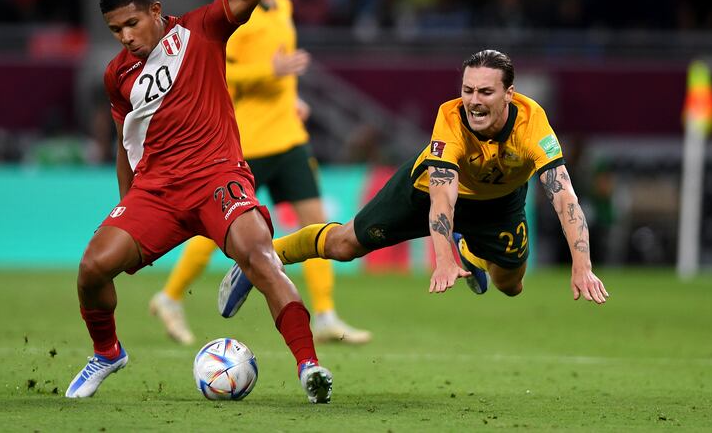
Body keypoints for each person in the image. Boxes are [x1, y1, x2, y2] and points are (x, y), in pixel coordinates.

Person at [65, 0, 333, 404]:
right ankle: (107, 353)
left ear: (155, 11)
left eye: (132, 23)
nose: (126, 37)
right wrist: (127, 203)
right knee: (91, 270)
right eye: (115, 30)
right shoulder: (117, 76)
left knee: (262, 256)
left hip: (218, 179)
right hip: (157, 193)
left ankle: (309, 366)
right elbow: (126, 144)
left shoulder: (201, 28)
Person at [218, 49, 609, 314]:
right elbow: (442, 200)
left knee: (510, 285)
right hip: (424, 192)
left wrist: (582, 265)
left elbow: (564, 197)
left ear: (509, 93)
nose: (473, 100)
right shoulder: (451, 118)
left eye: (486, 92)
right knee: (343, 245)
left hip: (500, 204)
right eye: (468, 89)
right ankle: (264, 257)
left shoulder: (532, 124)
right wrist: (442, 259)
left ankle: (472, 253)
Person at [149, 0, 371, 346]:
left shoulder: (282, 6)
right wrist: (269, 73)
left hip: (289, 138)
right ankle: (169, 296)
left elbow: (281, 72)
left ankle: (324, 314)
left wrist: (294, 97)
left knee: (316, 223)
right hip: (248, 143)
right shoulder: (239, 13)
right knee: (217, 230)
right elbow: (219, 75)